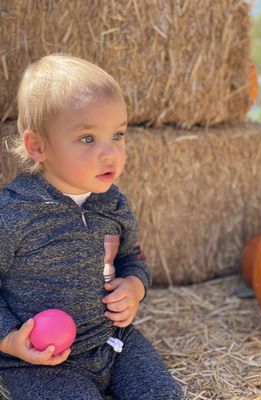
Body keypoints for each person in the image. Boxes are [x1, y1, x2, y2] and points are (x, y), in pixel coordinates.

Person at [0, 54, 184, 400]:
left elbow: (132, 257)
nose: (110, 153)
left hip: (114, 343)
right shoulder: (14, 213)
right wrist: (10, 339)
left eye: (117, 134)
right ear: (37, 146)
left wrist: (134, 286)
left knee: (163, 394)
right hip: (41, 362)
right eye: (88, 139)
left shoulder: (113, 203)